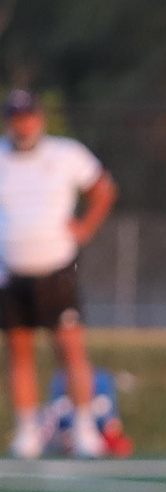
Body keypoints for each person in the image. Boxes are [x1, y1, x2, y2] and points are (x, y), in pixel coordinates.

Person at [0, 90, 117, 460]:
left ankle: (84, 428)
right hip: (10, 271)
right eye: (16, 117)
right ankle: (28, 430)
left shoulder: (65, 154)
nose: (23, 124)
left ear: (40, 119)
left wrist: (85, 227)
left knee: (69, 349)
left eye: (28, 116)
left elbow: (103, 188)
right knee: (18, 350)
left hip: (56, 268)